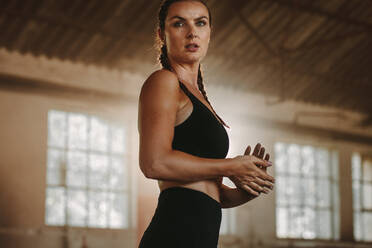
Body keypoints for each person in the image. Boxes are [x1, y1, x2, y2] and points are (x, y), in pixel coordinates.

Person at [137, 0, 275, 247]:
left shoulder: (200, 97)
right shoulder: (164, 82)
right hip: (172, 235)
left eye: (200, 23)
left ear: (209, 32)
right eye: (179, 23)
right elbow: (153, 162)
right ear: (162, 34)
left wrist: (246, 189)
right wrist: (231, 167)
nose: (192, 32)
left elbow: (212, 192)